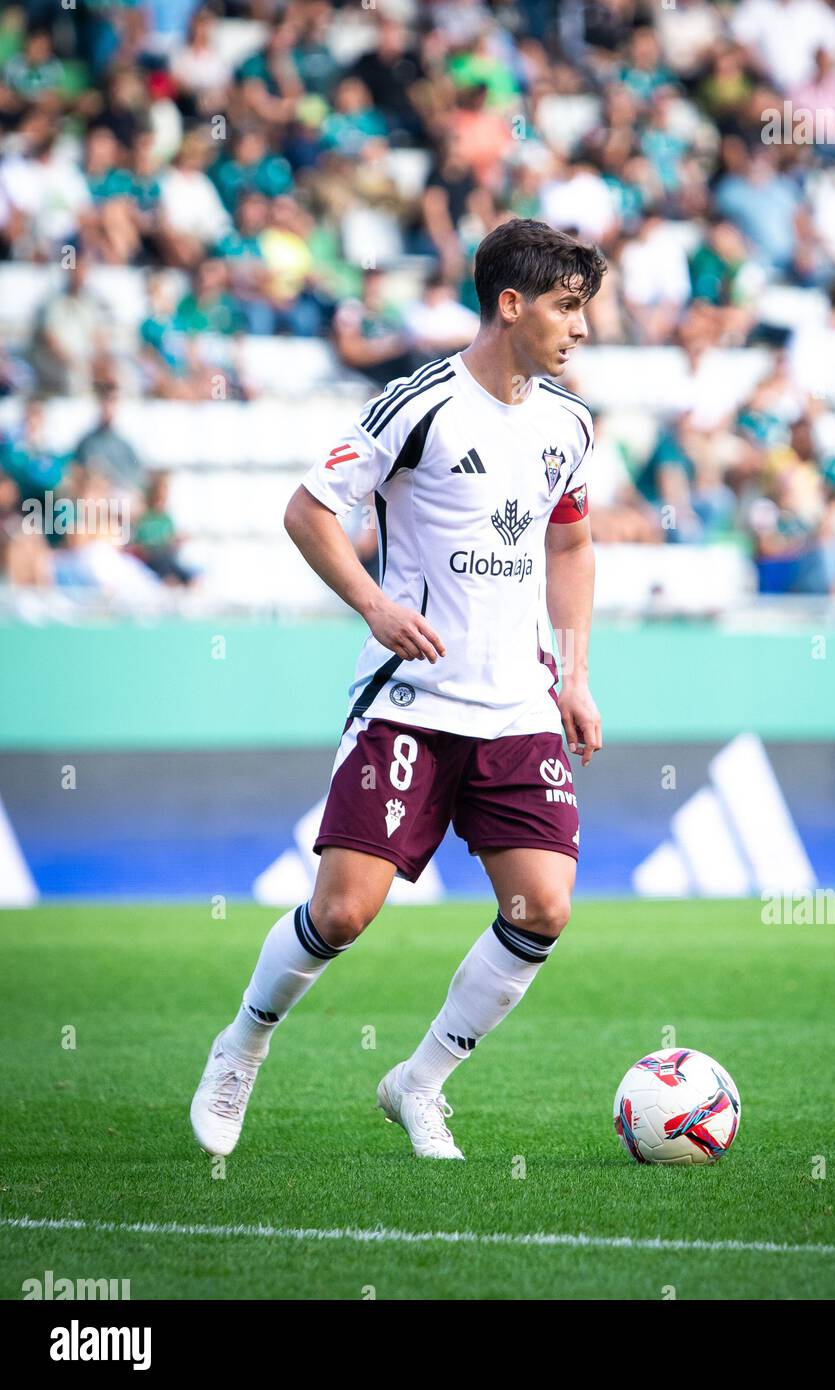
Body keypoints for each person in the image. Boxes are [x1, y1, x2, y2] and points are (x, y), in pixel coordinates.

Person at [190, 219, 606, 1160]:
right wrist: (374, 604)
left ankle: (418, 1082)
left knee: (542, 907)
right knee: (342, 912)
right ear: (511, 304)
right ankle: (243, 1043)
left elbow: (571, 542)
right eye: (566, 308)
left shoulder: (569, 424)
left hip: (519, 708)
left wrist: (574, 672)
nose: (580, 329)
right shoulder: (417, 404)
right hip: (411, 703)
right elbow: (308, 511)